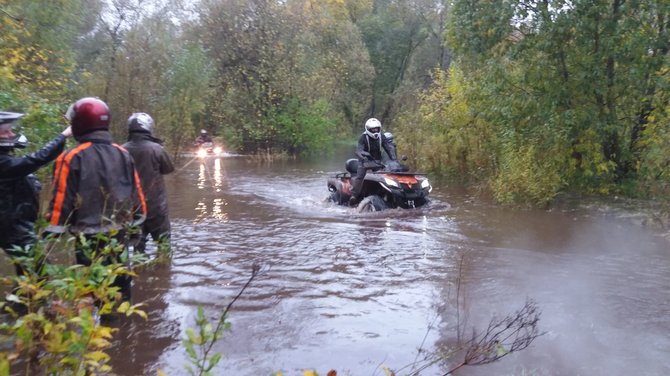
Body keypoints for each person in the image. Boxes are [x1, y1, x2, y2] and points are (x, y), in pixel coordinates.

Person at [45, 97, 146, 302]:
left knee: (91, 294)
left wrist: (49, 238)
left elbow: (59, 203)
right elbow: (138, 198)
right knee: (121, 293)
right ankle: (122, 331)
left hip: (87, 239)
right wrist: (136, 228)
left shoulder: (70, 157)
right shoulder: (123, 153)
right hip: (119, 235)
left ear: (79, 124)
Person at [0, 111, 72, 276]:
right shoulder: (3, 163)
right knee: (39, 275)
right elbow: (36, 159)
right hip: (13, 230)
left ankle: (21, 301)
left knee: (29, 277)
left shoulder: (6, 159)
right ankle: (19, 302)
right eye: (6, 132)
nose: (11, 134)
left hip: (18, 227)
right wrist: (63, 136)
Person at [122, 112, 174, 256]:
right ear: (149, 127)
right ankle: (164, 273)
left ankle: (140, 276)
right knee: (164, 248)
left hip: (133, 208)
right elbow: (168, 169)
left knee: (138, 250)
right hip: (157, 207)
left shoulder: (121, 150)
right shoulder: (157, 149)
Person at [349, 118, 397, 206]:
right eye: (373, 129)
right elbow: (359, 150)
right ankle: (354, 195)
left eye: (377, 129)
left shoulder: (381, 136)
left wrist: (393, 159)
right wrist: (362, 155)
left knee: (385, 175)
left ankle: (387, 193)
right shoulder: (363, 137)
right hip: (364, 161)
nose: (375, 130)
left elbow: (388, 147)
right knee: (360, 177)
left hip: (377, 162)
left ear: (379, 128)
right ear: (368, 129)